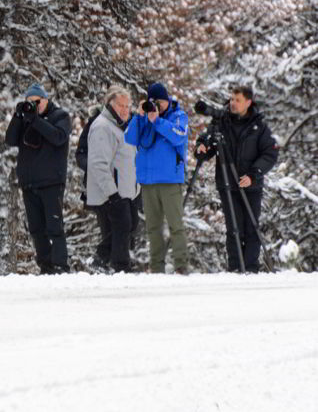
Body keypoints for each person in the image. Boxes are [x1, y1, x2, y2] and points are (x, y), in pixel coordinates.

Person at [194, 86, 279, 273]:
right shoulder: (221, 122)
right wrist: (201, 147)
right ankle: (235, 269)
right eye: (231, 99)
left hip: (251, 184)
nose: (232, 103)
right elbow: (207, 143)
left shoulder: (259, 126)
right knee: (234, 228)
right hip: (228, 184)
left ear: (248, 102)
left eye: (237, 100)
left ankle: (250, 269)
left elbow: (270, 153)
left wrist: (253, 174)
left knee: (251, 228)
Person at [5, 83, 72, 274]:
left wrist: (35, 120)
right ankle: (45, 266)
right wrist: (18, 117)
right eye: (30, 102)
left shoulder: (60, 116)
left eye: (37, 102)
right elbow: (10, 140)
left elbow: (58, 137)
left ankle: (60, 266)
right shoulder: (26, 118)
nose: (34, 105)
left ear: (46, 100)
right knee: (36, 228)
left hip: (51, 181)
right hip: (29, 182)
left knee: (54, 226)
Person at [124, 82, 189, 274]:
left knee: (175, 225)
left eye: (159, 102)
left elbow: (179, 136)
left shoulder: (178, 116)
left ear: (167, 100)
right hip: (148, 181)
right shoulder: (143, 119)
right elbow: (130, 138)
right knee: (153, 228)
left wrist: (157, 120)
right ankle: (156, 267)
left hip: (169, 180)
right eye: (153, 102)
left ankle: (181, 266)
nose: (157, 106)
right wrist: (139, 116)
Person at [86, 86, 139, 272]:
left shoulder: (120, 125)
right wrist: (112, 192)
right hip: (111, 190)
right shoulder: (102, 126)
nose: (125, 110)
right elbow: (98, 164)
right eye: (121, 106)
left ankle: (100, 259)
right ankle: (120, 267)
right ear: (110, 105)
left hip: (125, 190)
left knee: (129, 224)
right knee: (122, 225)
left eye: (128, 106)